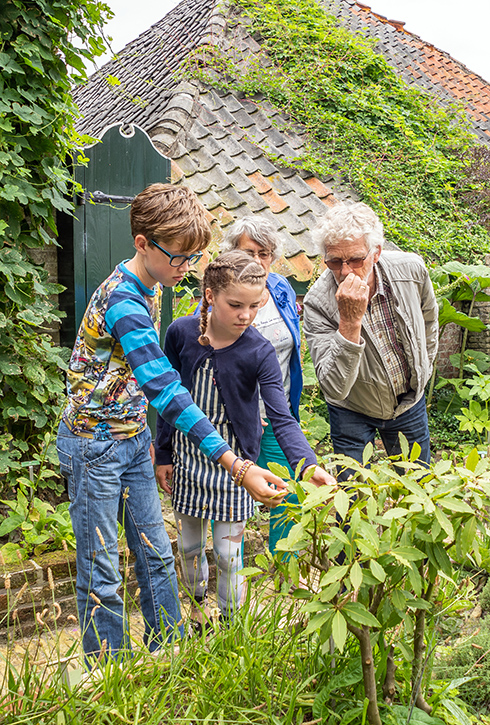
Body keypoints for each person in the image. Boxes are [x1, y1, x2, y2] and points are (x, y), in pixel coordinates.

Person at [55, 184, 288, 662]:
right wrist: (236, 465)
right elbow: (166, 389)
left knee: (157, 552)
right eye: (180, 258)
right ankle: (109, 670)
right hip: (92, 443)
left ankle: (167, 652)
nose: (185, 270)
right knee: (101, 565)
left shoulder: (153, 283)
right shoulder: (124, 300)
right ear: (142, 243)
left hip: (132, 436)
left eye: (193, 259)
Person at [155, 251, 335, 626]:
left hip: (239, 465)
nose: (246, 316)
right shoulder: (180, 334)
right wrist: (164, 453)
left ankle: (231, 625)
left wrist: (308, 464)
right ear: (209, 295)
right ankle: (195, 611)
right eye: (235, 304)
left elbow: (282, 417)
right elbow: (169, 400)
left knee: (227, 554)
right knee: (189, 548)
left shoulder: (259, 350)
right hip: (190, 459)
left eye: (255, 305)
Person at [303, 202, 438, 480]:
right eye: (334, 262)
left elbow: (428, 322)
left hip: (408, 402)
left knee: (419, 485)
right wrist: (350, 322)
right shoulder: (317, 302)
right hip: (352, 408)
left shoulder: (410, 270)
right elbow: (334, 387)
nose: (345, 271)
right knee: (352, 498)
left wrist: (422, 373)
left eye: (355, 259)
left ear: (376, 253)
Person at [218, 217, 303, 555]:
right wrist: (244, 405)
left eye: (264, 254)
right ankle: (231, 577)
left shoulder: (280, 288)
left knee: (287, 492)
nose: (257, 261)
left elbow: (288, 350)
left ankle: (285, 571)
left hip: (278, 413)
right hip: (236, 417)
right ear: (230, 255)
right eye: (248, 252)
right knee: (232, 494)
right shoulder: (219, 297)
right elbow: (212, 359)